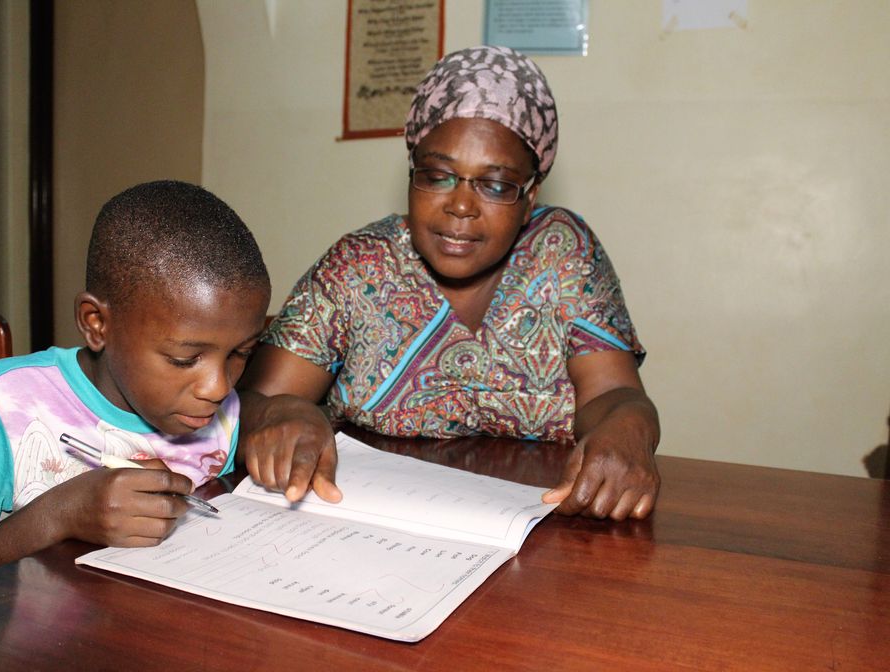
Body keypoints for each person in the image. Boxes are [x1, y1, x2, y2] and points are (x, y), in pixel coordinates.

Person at [238, 45, 660, 520]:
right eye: (438, 176)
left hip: (542, 528)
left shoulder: (563, 251)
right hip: (367, 523)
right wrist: (278, 415)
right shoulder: (358, 267)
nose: (461, 206)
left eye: (496, 185)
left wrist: (630, 425)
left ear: (529, 196)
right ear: (412, 173)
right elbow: (257, 399)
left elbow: (611, 395)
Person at [0, 180, 271, 611]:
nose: (219, 387)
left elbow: (253, 414)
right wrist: (56, 516)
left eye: (241, 353)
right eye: (185, 358)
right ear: (97, 324)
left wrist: (286, 413)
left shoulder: (217, 413)